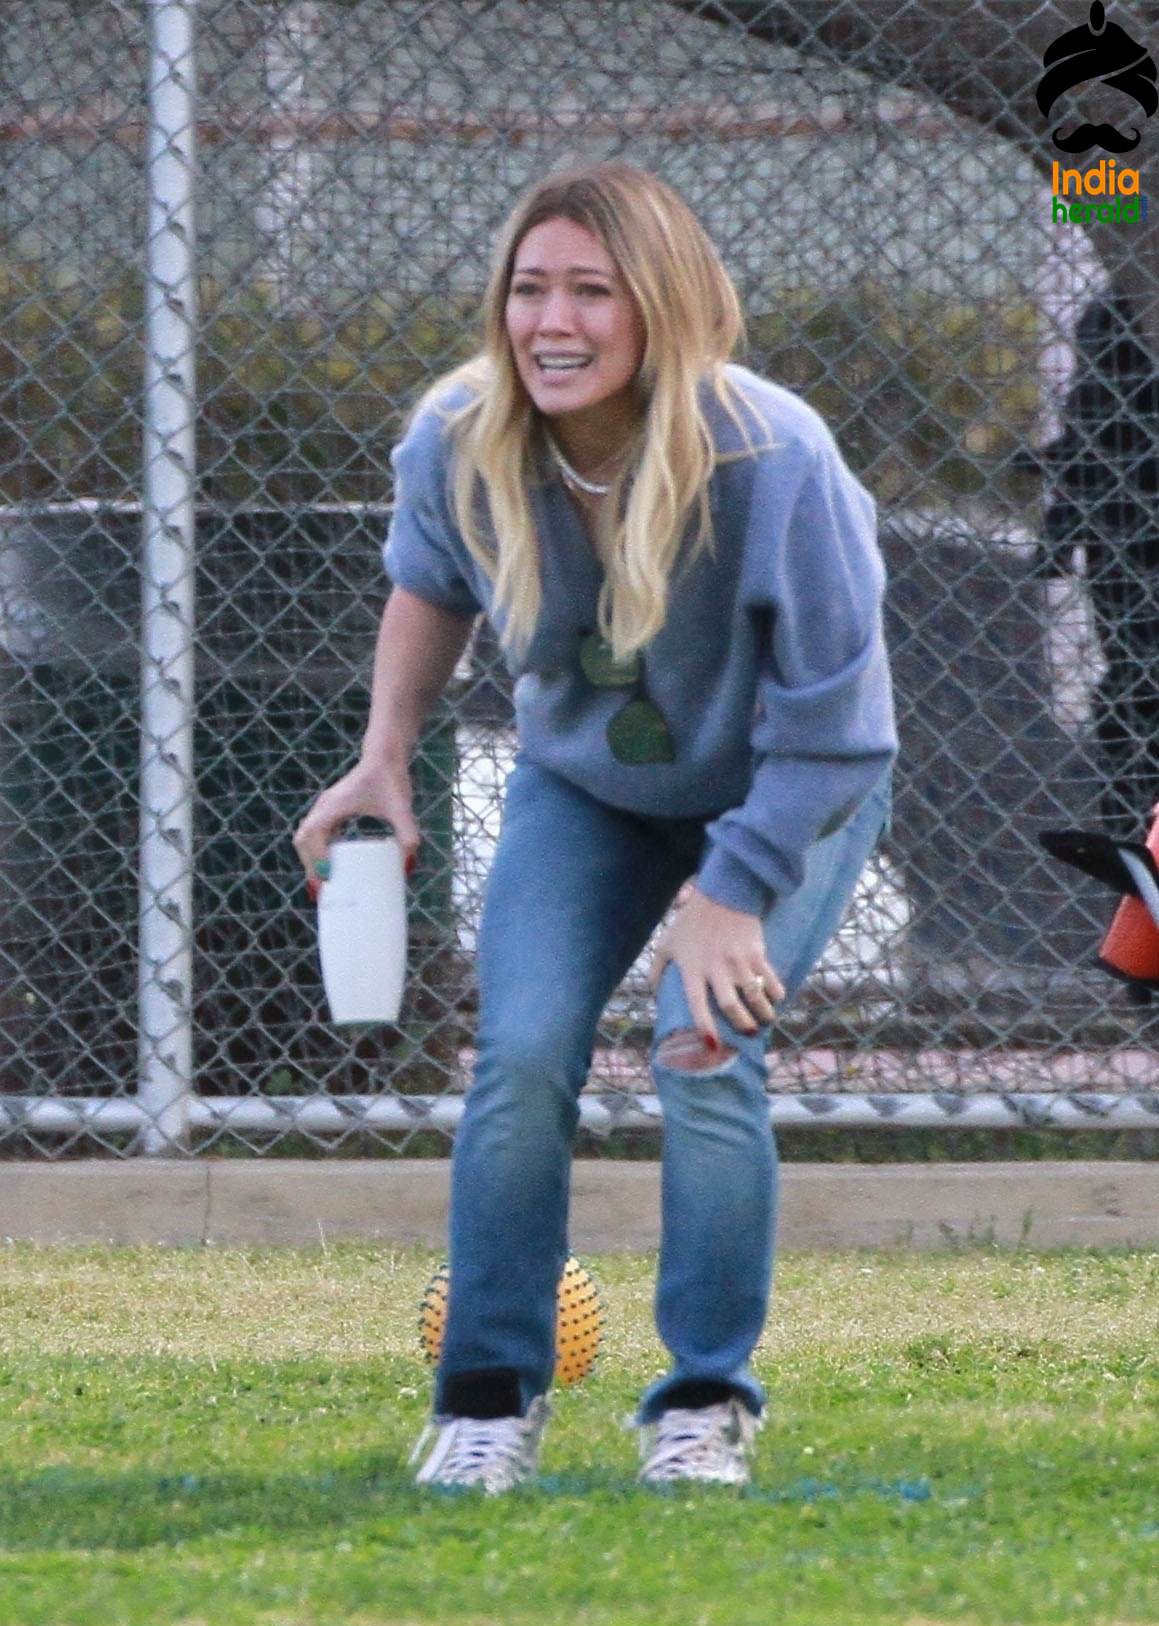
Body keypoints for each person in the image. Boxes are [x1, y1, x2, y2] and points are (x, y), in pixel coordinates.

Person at [293, 162, 896, 1492]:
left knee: (702, 1048)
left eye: (590, 291)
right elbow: (426, 587)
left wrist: (730, 896)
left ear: (660, 308)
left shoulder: (775, 459)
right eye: (527, 289)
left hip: (779, 795)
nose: (550, 321)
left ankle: (701, 1405)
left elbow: (843, 729)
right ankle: (487, 1399)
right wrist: (383, 758)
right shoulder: (459, 435)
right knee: (517, 1060)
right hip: (592, 793)